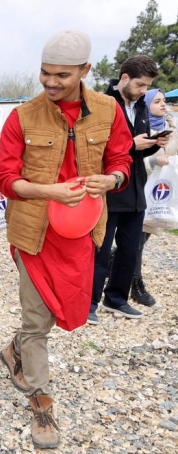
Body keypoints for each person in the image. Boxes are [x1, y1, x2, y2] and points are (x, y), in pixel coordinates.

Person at [0, 30, 133, 449]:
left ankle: (14, 350)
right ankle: (41, 400)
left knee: (60, 313)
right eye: (44, 73)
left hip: (83, 234)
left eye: (61, 76)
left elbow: (121, 160)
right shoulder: (23, 115)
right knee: (37, 319)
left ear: (85, 71)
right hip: (32, 235)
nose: (50, 83)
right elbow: (5, 177)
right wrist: (47, 191)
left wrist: (112, 179)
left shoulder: (109, 110)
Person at [88, 55, 170, 323]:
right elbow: (93, 148)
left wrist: (157, 142)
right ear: (124, 78)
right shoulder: (101, 105)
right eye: (141, 85)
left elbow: (137, 149)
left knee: (130, 249)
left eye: (147, 86)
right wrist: (130, 145)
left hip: (136, 191)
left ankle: (117, 299)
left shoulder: (141, 107)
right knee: (99, 250)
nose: (144, 91)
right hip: (110, 190)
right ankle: (89, 303)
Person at [130, 89, 178, 306]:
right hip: (138, 191)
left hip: (160, 194)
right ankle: (135, 285)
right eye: (157, 101)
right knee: (137, 241)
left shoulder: (172, 129)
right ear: (146, 104)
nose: (163, 105)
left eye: (164, 101)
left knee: (143, 238)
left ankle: (115, 261)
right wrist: (153, 163)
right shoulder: (139, 130)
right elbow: (128, 159)